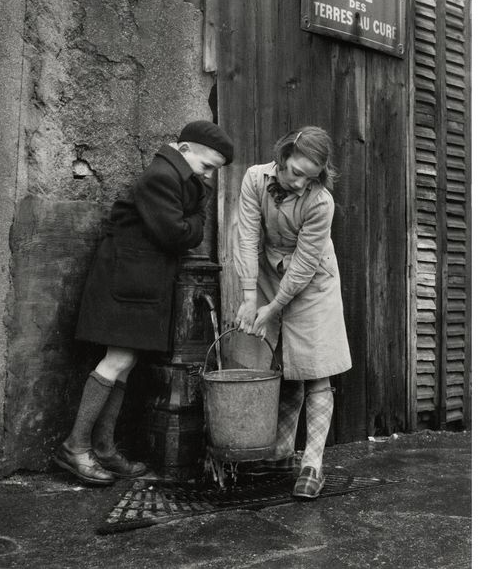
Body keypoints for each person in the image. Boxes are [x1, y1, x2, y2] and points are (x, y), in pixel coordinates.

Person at [55, 120, 234, 485]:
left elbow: (188, 223)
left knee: (127, 361)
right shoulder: (162, 177)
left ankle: (103, 448)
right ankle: (75, 446)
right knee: (117, 359)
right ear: (185, 150)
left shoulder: (180, 178)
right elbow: (176, 234)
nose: (209, 176)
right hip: (127, 280)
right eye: (206, 166)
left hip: (139, 280)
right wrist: (195, 220)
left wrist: (193, 215)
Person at [233, 126, 351, 500]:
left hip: (313, 282)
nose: (301, 184)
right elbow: (248, 235)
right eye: (296, 173)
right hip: (269, 274)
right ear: (281, 159)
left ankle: (312, 465)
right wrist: (250, 296)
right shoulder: (255, 178)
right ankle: (283, 453)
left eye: (310, 178)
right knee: (284, 366)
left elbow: (302, 265)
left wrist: (273, 307)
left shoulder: (321, 203)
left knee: (314, 369)